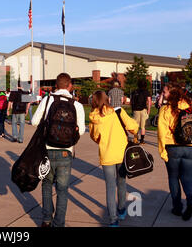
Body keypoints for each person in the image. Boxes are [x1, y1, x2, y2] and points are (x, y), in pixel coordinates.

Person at [31, 73, 85, 227]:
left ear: (56, 85)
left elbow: (34, 121)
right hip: (65, 151)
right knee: (62, 189)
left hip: (47, 149)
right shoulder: (77, 105)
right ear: (70, 86)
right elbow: (81, 131)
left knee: (47, 185)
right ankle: (59, 223)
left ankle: (46, 219)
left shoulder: (47, 100)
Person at [89, 90, 139, 227]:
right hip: (122, 152)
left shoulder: (93, 117)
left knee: (110, 187)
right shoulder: (118, 112)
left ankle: (113, 219)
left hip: (106, 154)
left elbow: (94, 136)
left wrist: (102, 140)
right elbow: (133, 127)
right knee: (121, 182)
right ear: (107, 100)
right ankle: (122, 209)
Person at [158, 86, 192, 221]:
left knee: (173, 177)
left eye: (164, 92)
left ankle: (177, 207)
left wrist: (162, 151)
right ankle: (191, 200)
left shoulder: (166, 109)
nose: (162, 94)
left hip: (173, 147)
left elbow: (161, 133)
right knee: (188, 178)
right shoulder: (190, 106)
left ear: (171, 92)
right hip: (191, 146)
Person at [130, 79, 152, 144]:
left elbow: (131, 102)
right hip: (143, 110)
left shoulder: (134, 92)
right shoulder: (146, 92)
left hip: (136, 110)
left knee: (136, 125)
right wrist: (149, 110)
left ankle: (135, 138)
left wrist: (132, 109)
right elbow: (149, 101)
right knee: (143, 126)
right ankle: (142, 140)